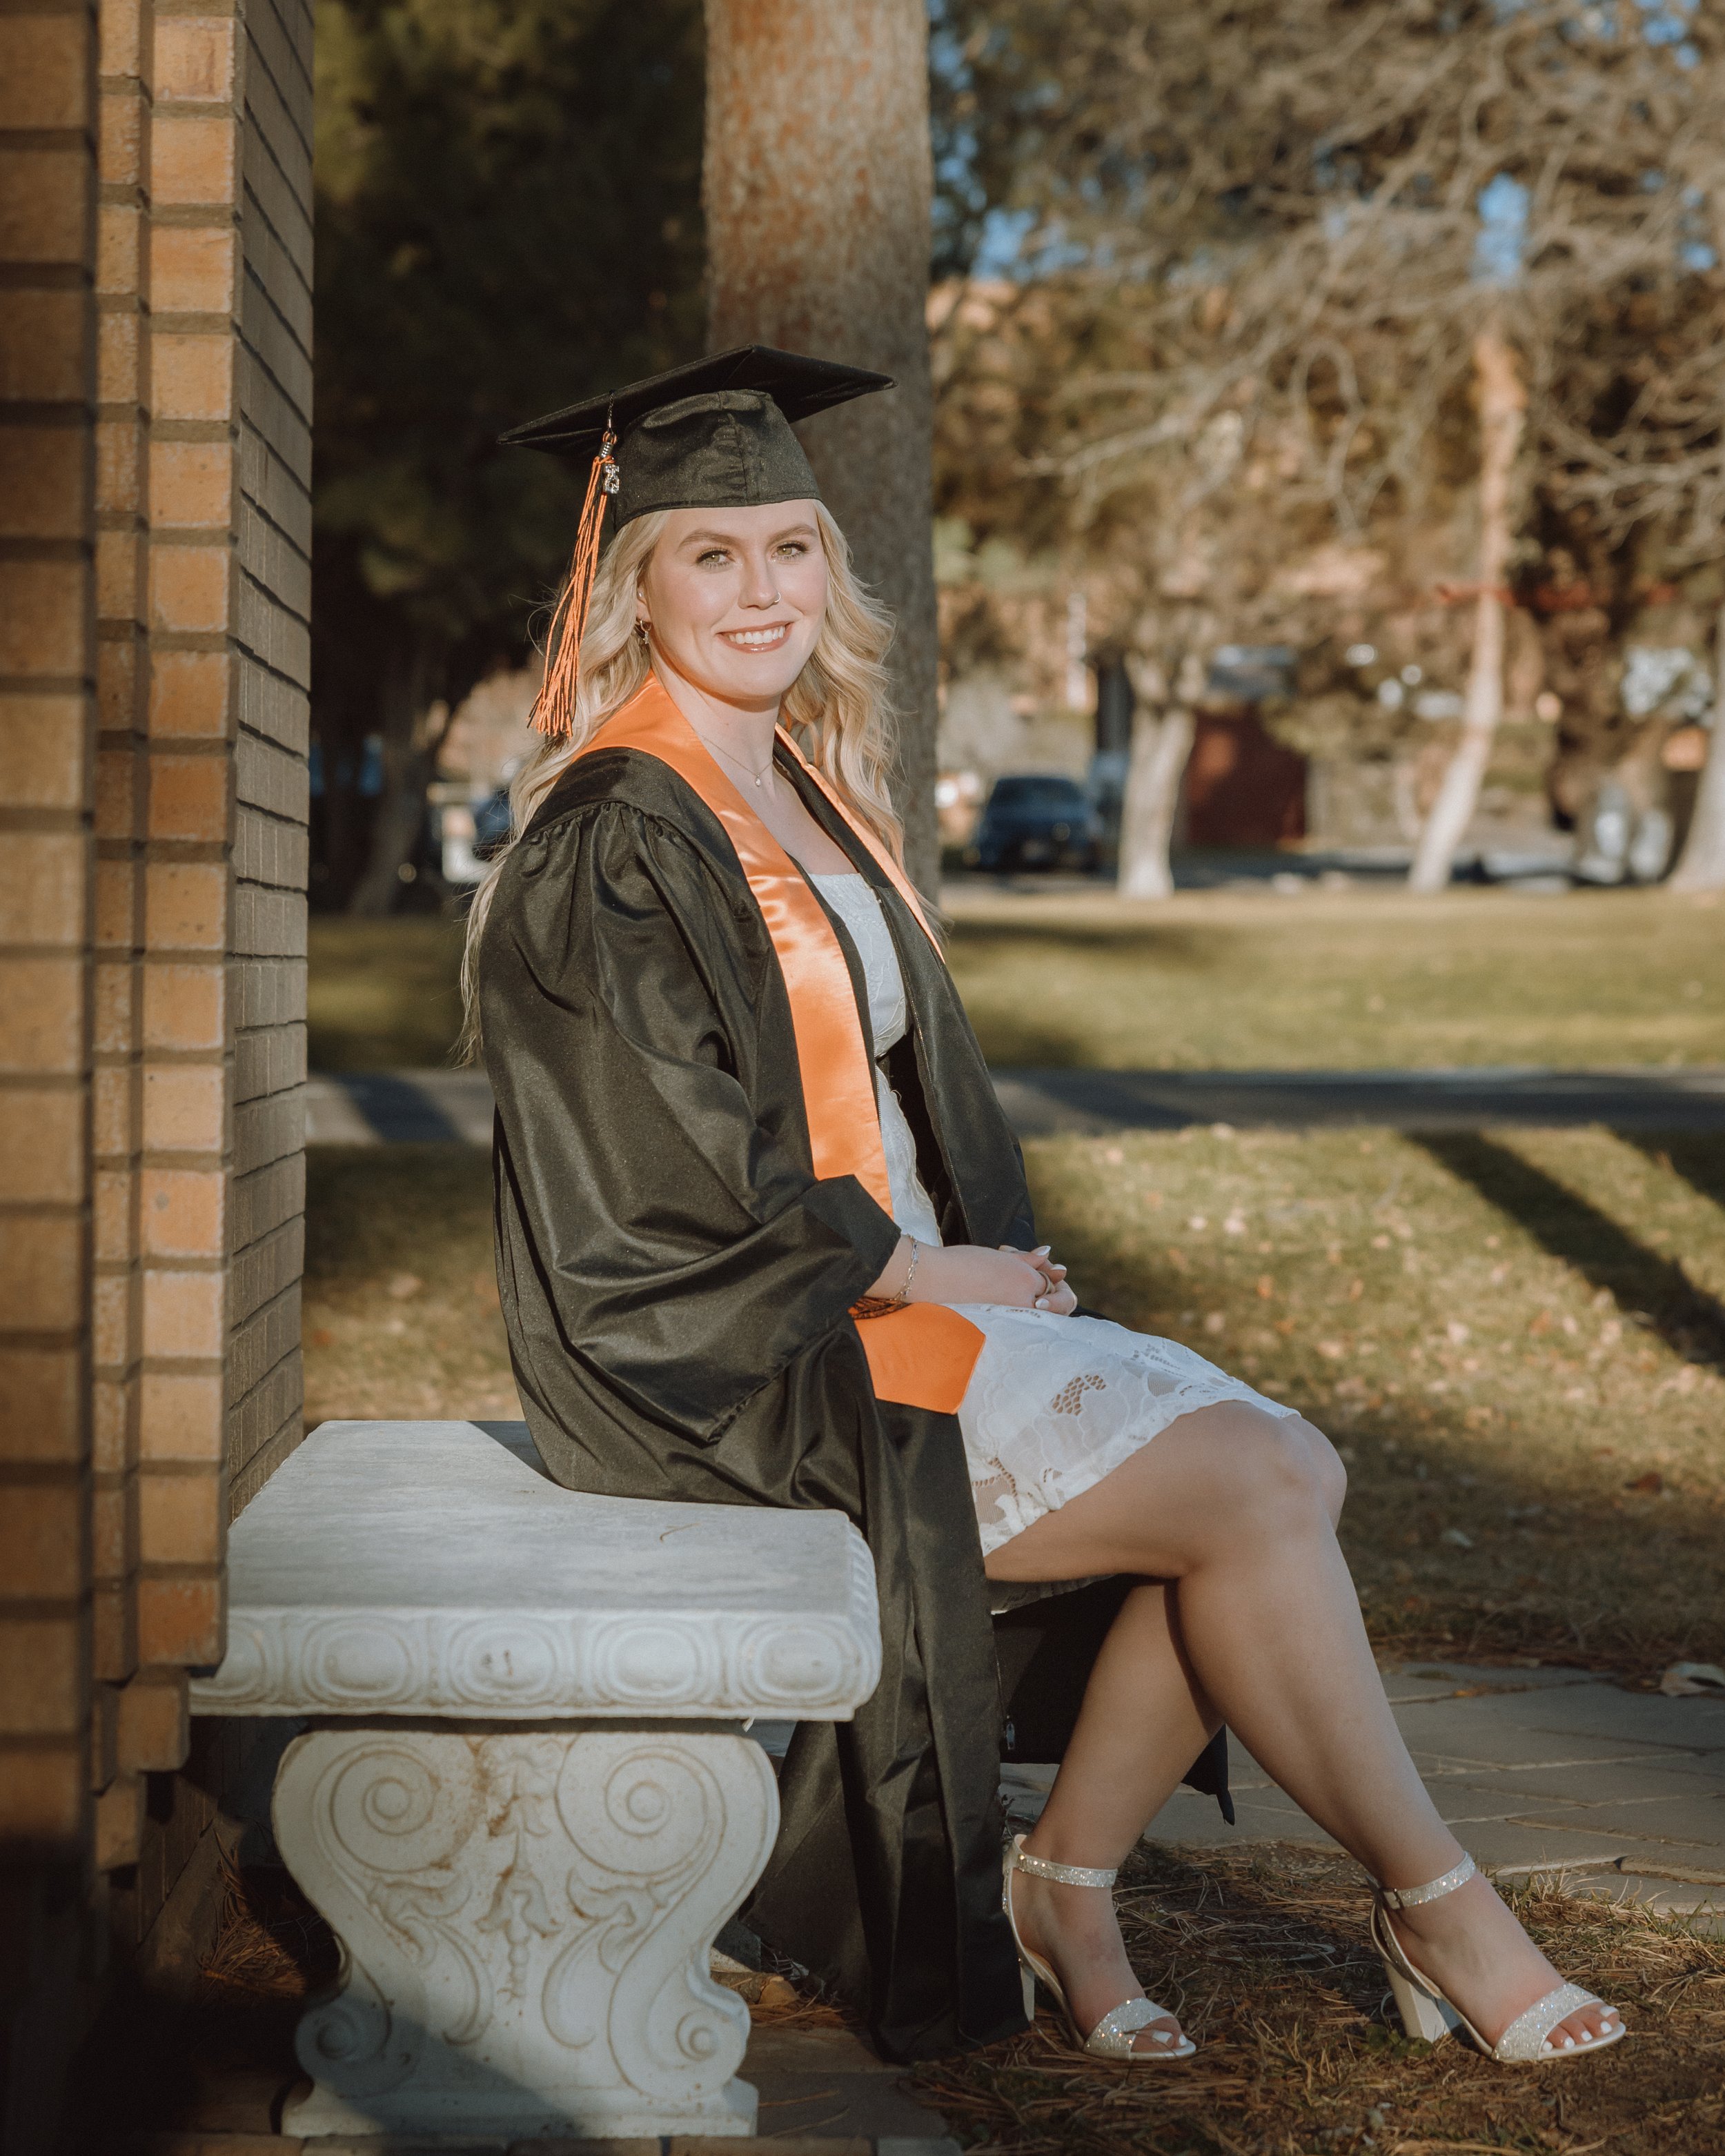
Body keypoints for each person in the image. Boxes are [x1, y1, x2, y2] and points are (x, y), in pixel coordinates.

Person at [461, 348, 1622, 2070]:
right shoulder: (616, 831)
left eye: (790, 548)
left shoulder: (804, 789)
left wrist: (970, 1269)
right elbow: (650, 1184)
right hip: (746, 1351)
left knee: (1279, 1478)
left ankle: (1068, 1890)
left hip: (902, 1301)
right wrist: (930, 1266)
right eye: (711, 554)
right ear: (630, 588)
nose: (761, 590)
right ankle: (1426, 1904)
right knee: (1260, 1480)